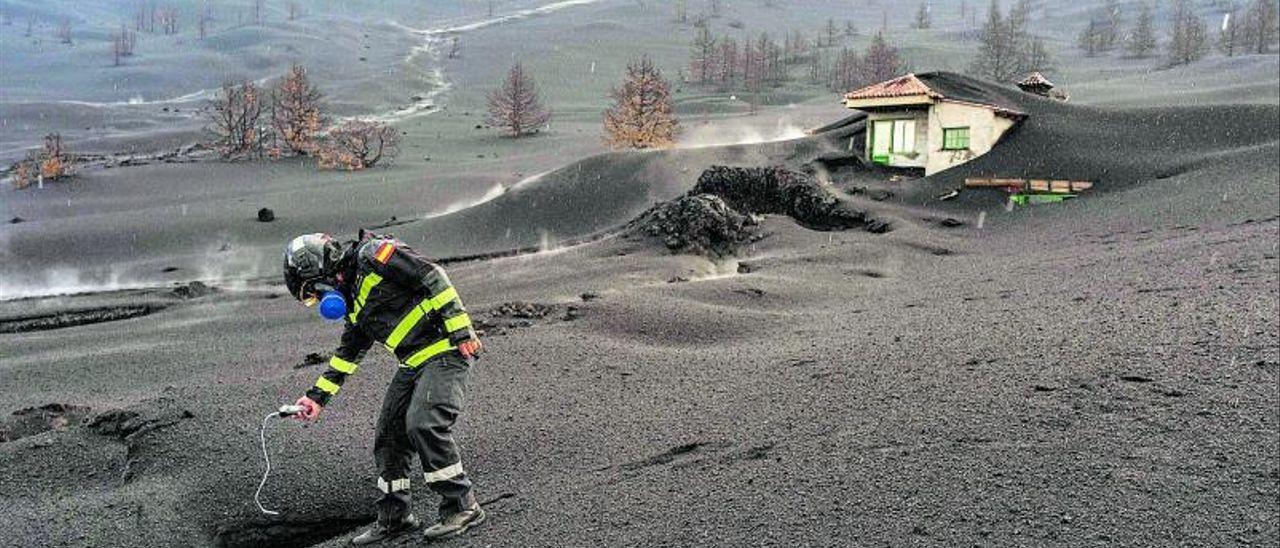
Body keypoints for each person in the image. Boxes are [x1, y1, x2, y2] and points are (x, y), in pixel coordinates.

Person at [282, 231, 486, 545]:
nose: (319, 301)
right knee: (389, 435)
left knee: (424, 423)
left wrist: (460, 329)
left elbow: (433, 276)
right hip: (414, 363)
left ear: (321, 273)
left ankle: (463, 506)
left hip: (447, 350)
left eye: (313, 293)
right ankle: (396, 517)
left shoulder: (374, 255)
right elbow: (348, 355)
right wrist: (315, 398)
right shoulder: (354, 303)